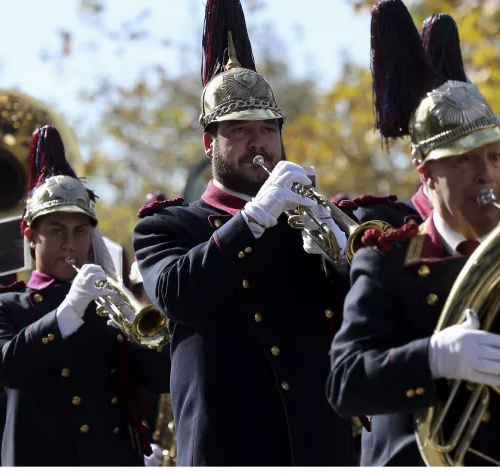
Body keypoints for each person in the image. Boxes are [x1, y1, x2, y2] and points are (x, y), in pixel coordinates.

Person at [327, 0, 500, 466]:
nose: (486, 174)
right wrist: (433, 358)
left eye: (494, 157)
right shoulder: (387, 261)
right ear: (426, 174)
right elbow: (345, 382)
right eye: (465, 160)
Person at [132, 0, 353, 466]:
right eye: (241, 130)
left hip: (320, 447)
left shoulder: (309, 215)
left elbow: (362, 313)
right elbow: (178, 295)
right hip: (229, 452)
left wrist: (342, 258)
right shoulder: (166, 226)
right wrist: (254, 218)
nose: (259, 143)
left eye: (268, 130)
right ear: (209, 142)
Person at [0, 125, 170, 466]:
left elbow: (159, 378)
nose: (70, 244)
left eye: (81, 232)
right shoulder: (3, 304)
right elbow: (2, 366)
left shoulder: (108, 302)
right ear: (30, 235)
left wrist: (143, 328)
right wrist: (67, 312)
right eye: (57, 231)